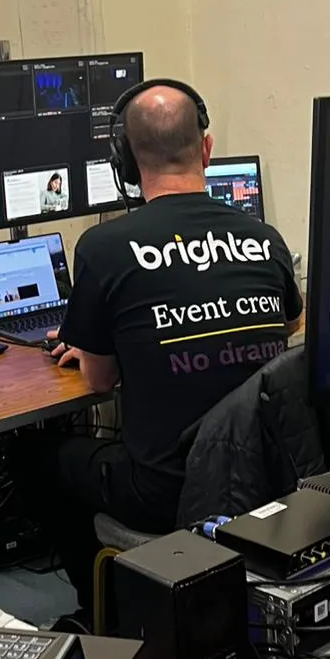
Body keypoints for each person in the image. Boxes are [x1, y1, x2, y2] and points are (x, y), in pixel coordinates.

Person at [41, 82, 302, 617]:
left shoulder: (103, 248)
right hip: (267, 480)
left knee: (43, 459)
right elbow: (291, 326)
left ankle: (101, 612)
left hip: (167, 494)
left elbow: (98, 381)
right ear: (206, 149)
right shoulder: (266, 239)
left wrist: (95, 341)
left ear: (126, 162)